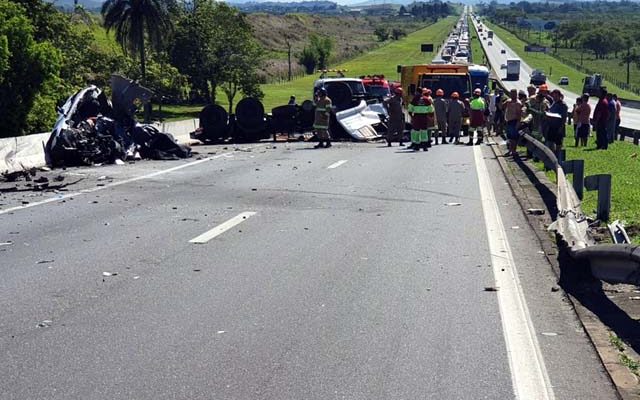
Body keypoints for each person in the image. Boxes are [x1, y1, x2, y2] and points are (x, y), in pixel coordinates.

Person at [545, 89, 568, 155]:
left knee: (558, 143)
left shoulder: (563, 105)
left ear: (559, 96)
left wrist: (561, 127)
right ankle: (551, 155)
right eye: (553, 96)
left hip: (558, 126)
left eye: (556, 96)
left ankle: (558, 155)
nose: (554, 98)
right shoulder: (553, 103)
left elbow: (564, 117)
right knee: (550, 141)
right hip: (551, 126)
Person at [504, 89, 522, 156]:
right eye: (511, 94)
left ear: (516, 94)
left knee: (514, 137)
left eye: (514, 94)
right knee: (510, 137)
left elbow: (519, 114)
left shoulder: (518, 103)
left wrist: (518, 123)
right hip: (508, 121)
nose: (512, 95)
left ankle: (513, 151)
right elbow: (502, 106)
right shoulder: (509, 101)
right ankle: (510, 150)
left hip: (514, 121)